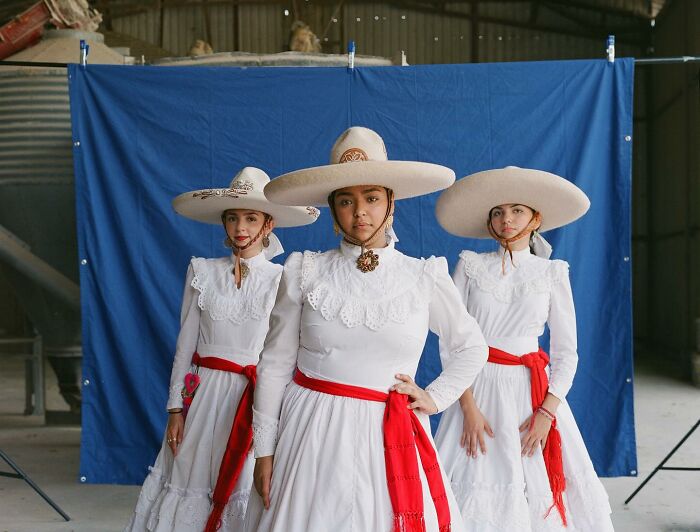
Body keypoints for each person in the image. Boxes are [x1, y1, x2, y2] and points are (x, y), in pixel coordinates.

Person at [245, 126, 488, 532]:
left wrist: (434, 397)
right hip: (311, 434)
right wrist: (265, 452)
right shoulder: (305, 270)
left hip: (391, 434)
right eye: (346, 201)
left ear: (391, 203)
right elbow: (274, 364)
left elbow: (471, 346)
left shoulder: (423, 274)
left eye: (372, 198)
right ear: (332, 208)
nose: (360, 212)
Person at [124, 167, 319, 532]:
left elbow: (287, 353)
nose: (240, 227)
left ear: (269, 224)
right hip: (203, 396)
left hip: (252, 399)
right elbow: (186, 346)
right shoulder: (202, 271)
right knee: (190, 480)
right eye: (232, 218)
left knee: (245, 486)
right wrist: (176, 407)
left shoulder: (283, 278)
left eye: (250, 217)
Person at [433, 166, 614, 531]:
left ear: (536, 219)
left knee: (534, 485)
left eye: (517, 210)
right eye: (497, 212)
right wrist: (467, 407)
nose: (506, 219)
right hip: (477, 388)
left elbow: (566, 354)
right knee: (472, 480)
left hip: (530, 396)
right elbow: (451, 342)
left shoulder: (552, 273)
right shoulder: (469, 266)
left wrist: (546, 414)